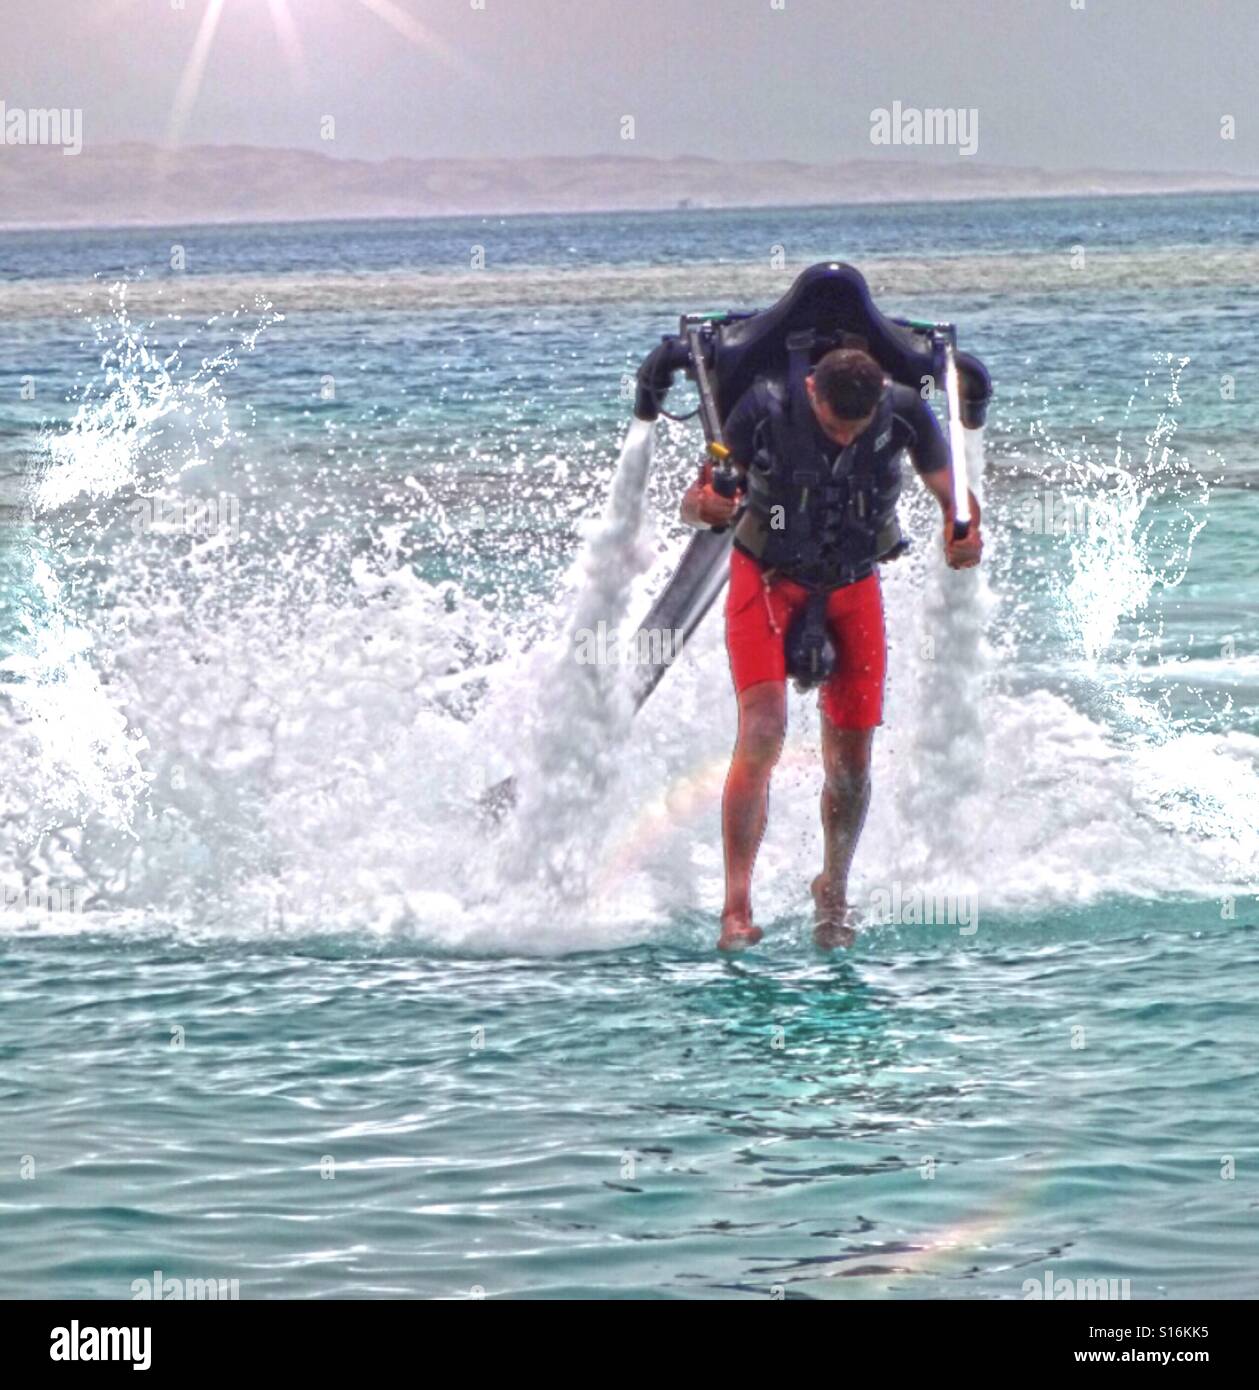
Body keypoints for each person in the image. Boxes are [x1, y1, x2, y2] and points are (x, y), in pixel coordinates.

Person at [679, 347, 982, 951]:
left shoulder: (902, 414)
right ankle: (736, 908)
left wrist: (962, 529)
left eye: (857, 428)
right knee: (763, 733)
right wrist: (706, 507)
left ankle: (833, 892)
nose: (846, 437)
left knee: (852, 766)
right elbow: (696, 502)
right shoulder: (763, 409)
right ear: (813, 390)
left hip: (853, 586)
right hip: (766, 581)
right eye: (834, 426)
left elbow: (956, 497)